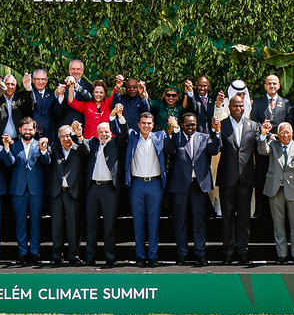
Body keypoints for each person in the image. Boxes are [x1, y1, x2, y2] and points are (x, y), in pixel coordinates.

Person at [214, 93, 262, 264]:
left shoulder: (254, 125)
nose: (238, 108)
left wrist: (264, 136)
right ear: (229, 107)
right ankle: (227, 252)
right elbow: (215, 148)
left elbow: (260, 149)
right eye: (235, 105)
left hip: (246, 180)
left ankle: (242, 251)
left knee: (244, 219)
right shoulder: (223, 125)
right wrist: (216, 132)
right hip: (227, 180)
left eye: (241, 106)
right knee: (227, 219)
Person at [166, 112, 217, 266]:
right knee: (180, 221)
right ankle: (182, 253)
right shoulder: (177, 136)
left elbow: (214, 150)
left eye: (193, 124)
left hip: (198, 185)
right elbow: (169, 150)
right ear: (182, 125)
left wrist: (218, 132)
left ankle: (200, 253)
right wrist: (172, 131)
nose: (190, 127)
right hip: (180, 185)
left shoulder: (204, 137)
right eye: (187, 124)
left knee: (199, 221)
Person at [257, 122, 294, 265]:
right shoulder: (273, 145)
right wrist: (263, 134)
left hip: (293, 189)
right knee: (278, 224)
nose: (286, 135)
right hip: (275, 189)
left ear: (292, 133)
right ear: (278, 134)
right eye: (282, 133)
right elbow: (262, 150)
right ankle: (282, 254)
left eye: (288, 132)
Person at [125, 111, 169, 266]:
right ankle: (140, 256)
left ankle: (153, 256)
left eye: (149, 123)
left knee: (154, 222)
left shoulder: (160, 137)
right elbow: (119, 128)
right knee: (138, 222)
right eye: (143, 123)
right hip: (136, 184)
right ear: (138, 124)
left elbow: (172, 146)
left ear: (153, 124)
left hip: (155, 184)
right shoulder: (132, 136)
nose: (146, 125)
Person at [2, 117, 47, 264]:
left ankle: (35, 252)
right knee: (20, 222)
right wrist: (7, 148)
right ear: (20, 130)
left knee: (36, 222)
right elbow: (8, 163)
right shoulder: (14, 146)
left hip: (36, 190)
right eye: (25, 129)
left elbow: (46, 162)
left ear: (34, 130)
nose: (28, 132)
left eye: (30, 129)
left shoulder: (39, 144)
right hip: (18, 190)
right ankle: (22, 252)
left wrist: (44, 151)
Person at [84, 121, 125, 266]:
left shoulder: (115, 143)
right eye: (101, 132)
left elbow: (124, 134)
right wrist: (77, 133)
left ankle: (110, 256)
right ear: (96, 133)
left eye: (106, 131)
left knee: (109, 225)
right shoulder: (93, 143)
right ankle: (90, 256)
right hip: (93, 188)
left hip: (109, 189)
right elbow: (82, 145)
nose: (104, 134)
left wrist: (118, 118)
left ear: (111, 132)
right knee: (91, 225)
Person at [46, 125, 89, 264]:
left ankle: (73, 255)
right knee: (56, 225)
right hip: (57, 192)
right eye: (63, 136)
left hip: (73, 192)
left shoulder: (78, 148)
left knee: (74, 225)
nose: (66, 138)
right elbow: (44, 160)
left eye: (68, 135)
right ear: (59, 137)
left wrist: (79, 136)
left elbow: (87, 152)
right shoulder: (54, 148)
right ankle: (56, 255)